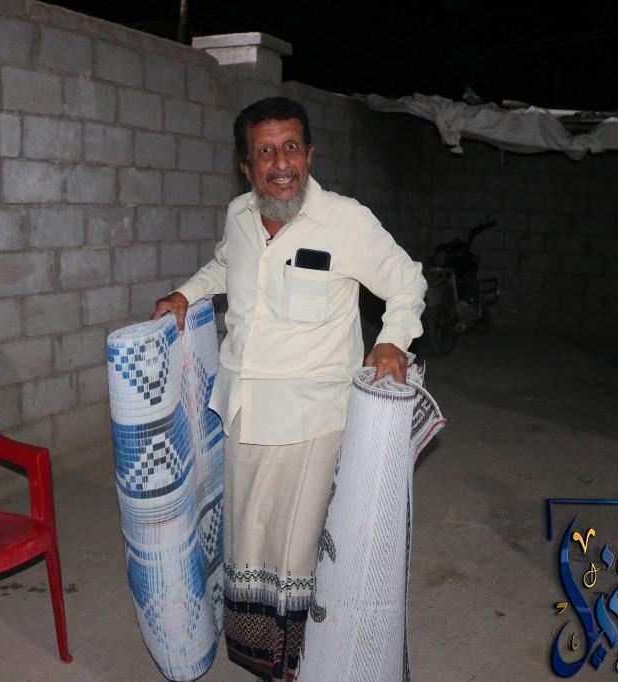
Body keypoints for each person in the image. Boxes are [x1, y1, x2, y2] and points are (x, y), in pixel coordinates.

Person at [152, 96, 427, 681]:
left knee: (295, 552)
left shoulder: (345, 220)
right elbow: (226, 266)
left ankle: (299, 664)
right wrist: (185, 294)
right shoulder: (239, 215)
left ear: (310, 154)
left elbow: (407, 282)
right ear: (246, 167)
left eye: (291, 148)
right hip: (243, 411)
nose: (282, 164)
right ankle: (260, 656)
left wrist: (391, 342)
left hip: (311, 420)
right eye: (266, 152)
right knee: (249, 539)